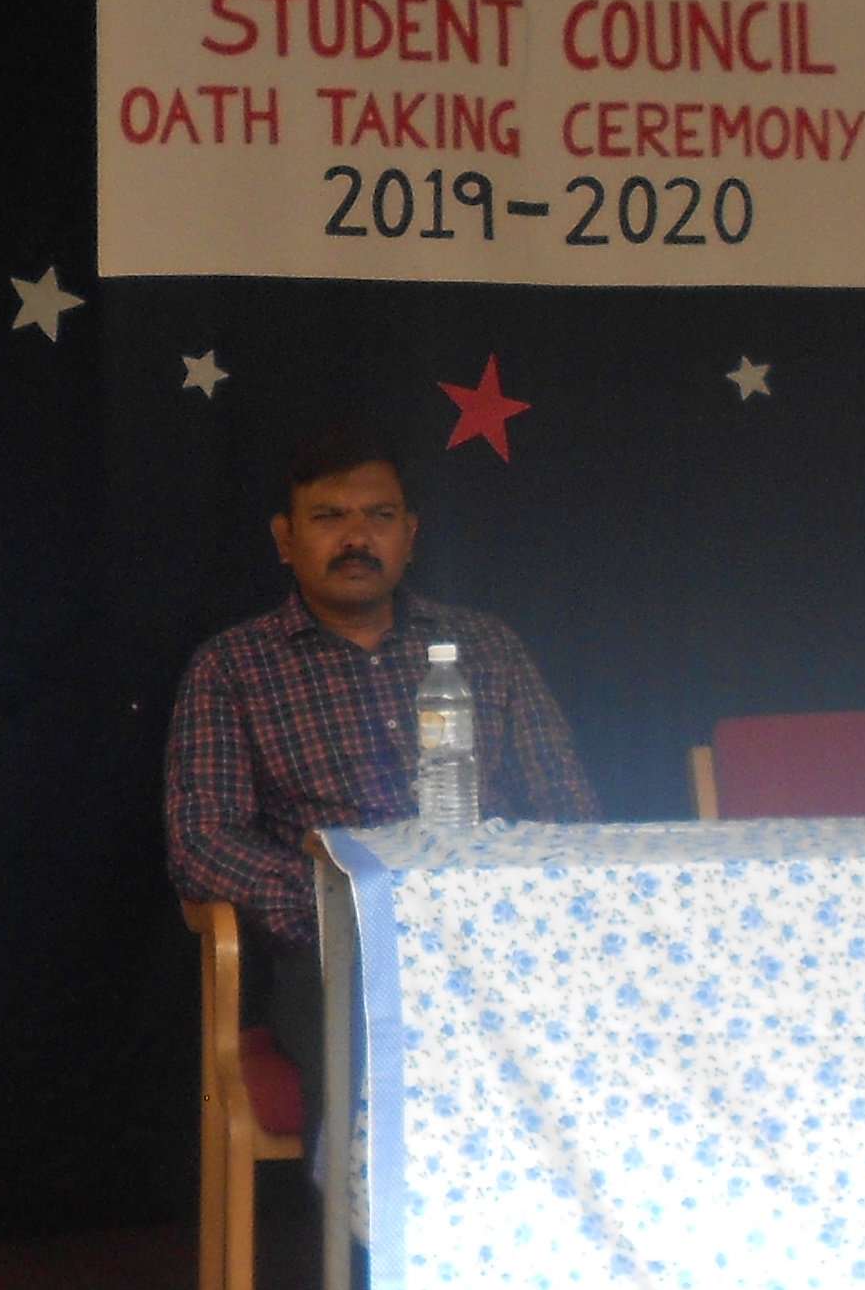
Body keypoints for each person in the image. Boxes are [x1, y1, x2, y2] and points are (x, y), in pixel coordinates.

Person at [163, 430, 599, 1086]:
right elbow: (203, 840)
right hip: (342, 951)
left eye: (380, 516)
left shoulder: (485, 646)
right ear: (285, 539)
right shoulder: (232, 667)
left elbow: (567, 802)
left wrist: (518, 897)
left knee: (600, 1030)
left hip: (500, 929)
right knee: (394, 1066)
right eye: (328, 517)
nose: (357, 538)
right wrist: (342, 901)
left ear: (410, 536)